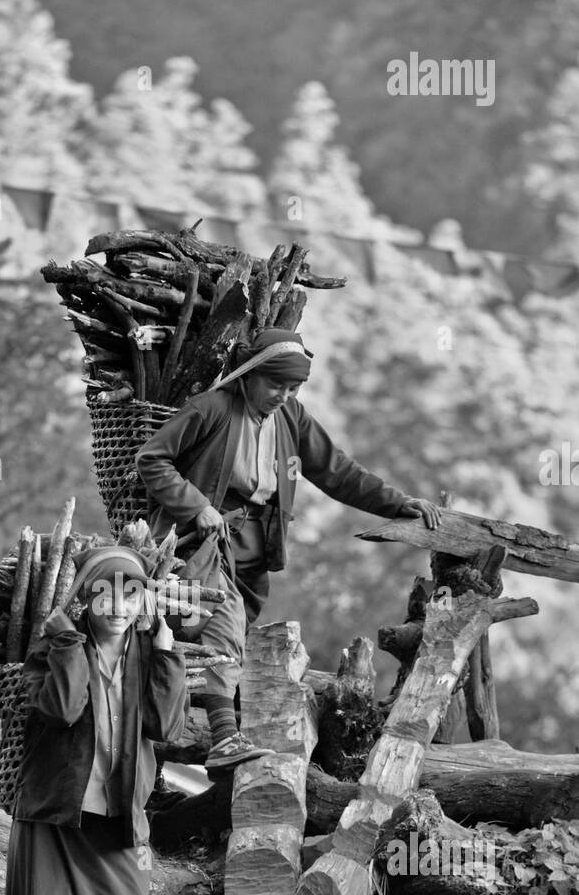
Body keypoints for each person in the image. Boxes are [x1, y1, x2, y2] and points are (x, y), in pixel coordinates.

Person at [136, 327, 442, 772]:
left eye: (293, 387)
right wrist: (197, 506)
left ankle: (162, 747)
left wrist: (397, 503)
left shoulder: (291, 418)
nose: (284, 394)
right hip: (200, 545)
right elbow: (153, 458)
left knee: (223, 637)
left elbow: (336, 471)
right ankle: (223, 738)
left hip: (256, 551)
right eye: (276, 384)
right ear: (250, 374)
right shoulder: (212, 409)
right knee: (224, 620)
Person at [0, 544, 188, 895]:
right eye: (105, 592)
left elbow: (166, 724)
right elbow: (62, 708)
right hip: (55, 811)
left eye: (131, 593)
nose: (118, 605)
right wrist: (67, 642)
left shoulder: (146, 652)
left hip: (117, 818)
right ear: (86, 596)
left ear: (144, 601)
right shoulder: (56, 647)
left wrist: (166, 648)